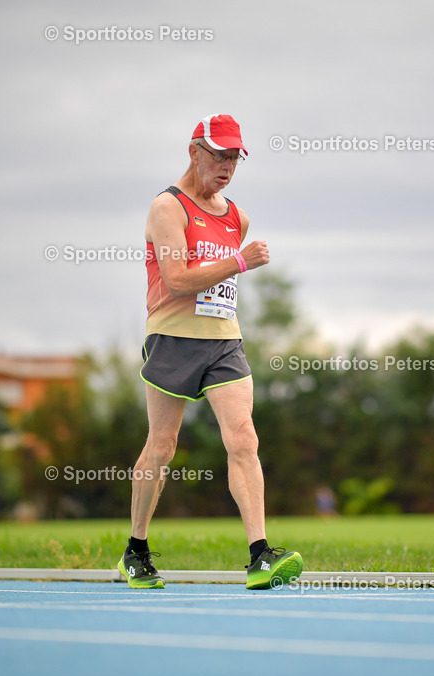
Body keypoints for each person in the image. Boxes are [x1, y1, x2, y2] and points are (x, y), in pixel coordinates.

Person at [117, 114, 303, 590]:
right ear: (194, 151)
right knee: (162, 446)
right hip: (172, 338)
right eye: (218, 155)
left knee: (244, 438)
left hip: (224, 341)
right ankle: (135, 551)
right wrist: (239, 261)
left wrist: (231, 263)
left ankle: (260, 555)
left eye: (234, 157)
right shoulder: (167, 207)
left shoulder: (237, 216)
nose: (226, 166)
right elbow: (177, 281)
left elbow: (217, 281)